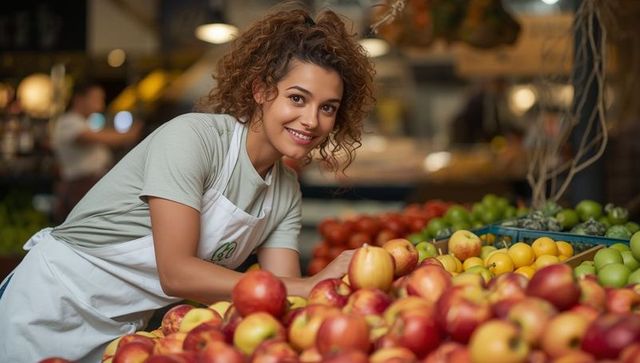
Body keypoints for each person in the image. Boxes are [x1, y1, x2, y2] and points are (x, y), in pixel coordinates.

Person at [0, 6, 375, 362]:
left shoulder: (284, 192)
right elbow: (176, 272)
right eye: (297, 98)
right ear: (261, 91)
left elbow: (278, 296)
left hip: (122, 334)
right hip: (49, 307)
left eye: (327, 107)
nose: (311, 120)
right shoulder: (192, 140)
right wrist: (312, 284)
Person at [51, 80, 143, 223]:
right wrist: (129, 135)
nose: (100, 103)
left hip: (90, 184)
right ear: (79, 99)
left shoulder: (84, 122)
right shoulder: (69, 121)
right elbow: (96, 138)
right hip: (81, 186)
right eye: (96, 98)